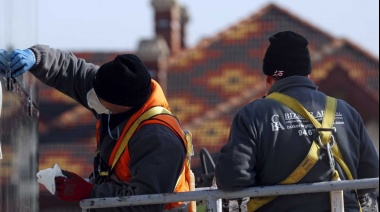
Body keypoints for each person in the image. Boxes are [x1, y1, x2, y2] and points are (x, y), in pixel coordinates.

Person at [0, 45, 194, 212]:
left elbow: (145, 204)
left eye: (98, 97)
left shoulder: (158, 138)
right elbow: (70, 70)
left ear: (122, 104)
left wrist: (89, 191)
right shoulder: (114, 89)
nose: (91, 96)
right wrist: (36, 58)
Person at [214, 31, 379, 211]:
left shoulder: (252, 115)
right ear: (308, 75)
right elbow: (371, 176)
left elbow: (232, 178)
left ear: (269, 79)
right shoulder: (347, 112)